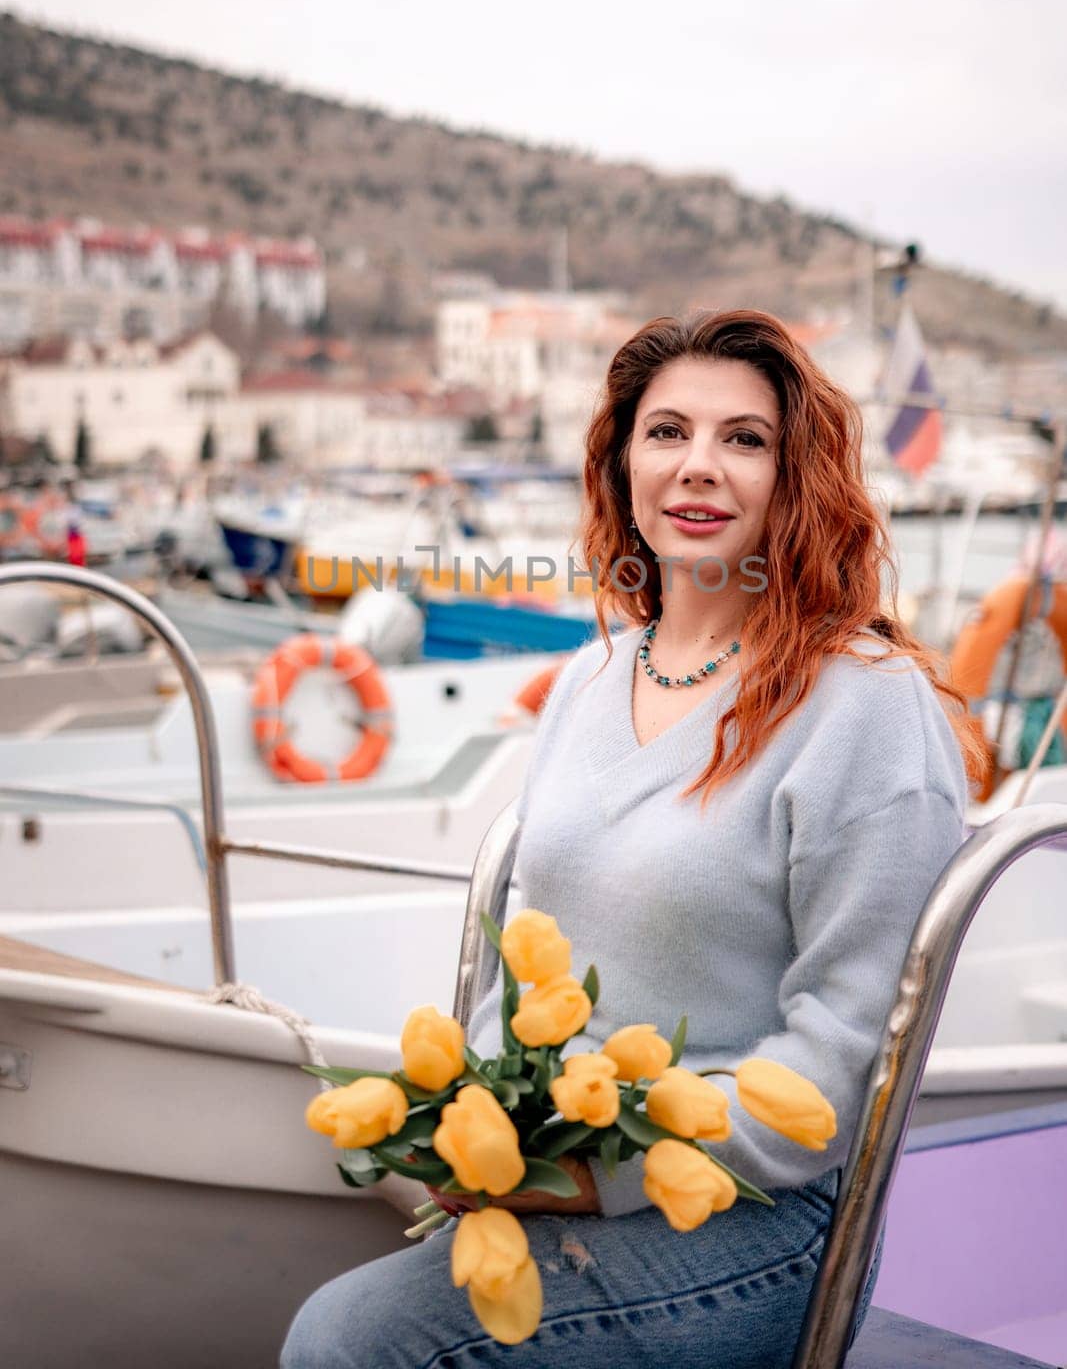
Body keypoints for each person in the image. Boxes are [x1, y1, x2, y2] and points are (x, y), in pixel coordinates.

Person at [282, 310, 984, 1368]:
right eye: (666, 432)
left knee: (355, 1338)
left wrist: (582, 1177)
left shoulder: (865, 708)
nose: (697, 466)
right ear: (620, 465)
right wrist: (477, 1123)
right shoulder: (591, 677)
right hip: (558, 1174)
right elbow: (524, 963)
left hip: (757, 1217)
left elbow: (839, 1068)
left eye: (742, 439)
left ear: (795, 478)